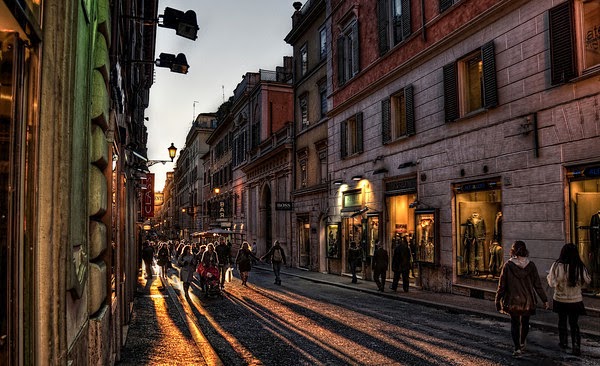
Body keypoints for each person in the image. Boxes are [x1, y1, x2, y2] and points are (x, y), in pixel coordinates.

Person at [495, 240, 549, 357]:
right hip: (528, 300)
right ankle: (522, 342)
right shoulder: (531, 265)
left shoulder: (508, 265)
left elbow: (502, 286)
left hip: (513, 300)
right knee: (525, 322)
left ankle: (517, 348)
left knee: (515, 324)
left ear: (513, 251)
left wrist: (497, 300)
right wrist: (544, 299)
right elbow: (537, 285)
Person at [547, 243, 591, 356]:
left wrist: (556, 280)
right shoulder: (580, 266)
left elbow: (551, 283)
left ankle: (563, 342)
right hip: (575, 300)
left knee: (562, 321)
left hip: (560, 299)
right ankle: (576, 346)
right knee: (574, 324)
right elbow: (587, 280)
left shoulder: (557, 265)